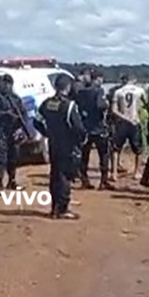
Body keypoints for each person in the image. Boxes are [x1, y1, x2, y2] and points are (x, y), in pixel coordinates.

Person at [34, 74, 86, 219]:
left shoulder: (46, 103)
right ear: (68, 87)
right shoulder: (69, 105)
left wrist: (46, 133)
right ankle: (62, 209)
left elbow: (36, 121)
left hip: (53, 143)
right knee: (64, 176)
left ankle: (55, 207)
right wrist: (81, 141)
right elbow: (78, 128)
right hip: (67, 145)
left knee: (55, 174)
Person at [0, 74, 27, 191]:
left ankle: (12, 181)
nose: (6, 86)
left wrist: (20, 128)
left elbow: (23, 113)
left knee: (13, 157)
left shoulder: (15, 98)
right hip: (1, 132)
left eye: (8, 84)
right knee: (1, 158)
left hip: (13, 132)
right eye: (4, 83)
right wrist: (5, 114)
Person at [76, 70, 113, 190]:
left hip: (85, 127)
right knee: (104, 154)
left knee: (84, 155)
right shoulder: (99, 90)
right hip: (98, 127)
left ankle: (84, 180)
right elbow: (100, 105)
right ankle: (103, 181)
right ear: (98, 79)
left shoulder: (81, 92)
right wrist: (107, 104)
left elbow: (78, 107)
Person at [111, 72, 148, 180]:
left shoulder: (118, 92)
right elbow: (146, 104)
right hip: (135, 121)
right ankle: (137, 172)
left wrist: (124, 117)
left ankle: (114, 173)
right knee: (138, 149)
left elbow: (114, 110)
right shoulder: (140, 90)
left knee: (116, 148)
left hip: (121, 122)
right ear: (134, 80)